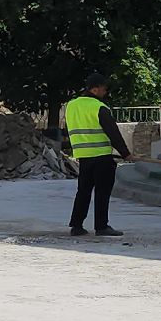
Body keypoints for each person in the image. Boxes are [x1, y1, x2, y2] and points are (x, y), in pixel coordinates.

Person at [63, 75, 133, 237]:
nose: (105, 91)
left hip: (83, 156)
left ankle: (77, 226)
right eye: (103, 88)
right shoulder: (99, 107)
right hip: (102, 156)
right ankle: (101, 227)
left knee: (83, 191)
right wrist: (126, 153)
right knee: (102, 192)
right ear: (95, 89)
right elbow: (113, 133)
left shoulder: (71, 106)